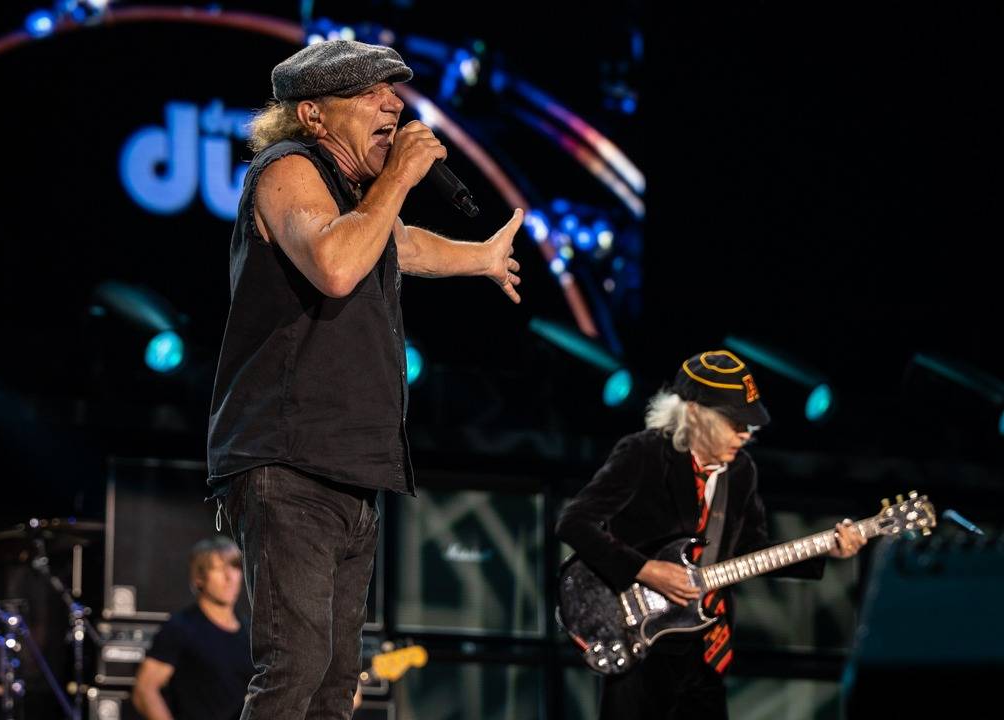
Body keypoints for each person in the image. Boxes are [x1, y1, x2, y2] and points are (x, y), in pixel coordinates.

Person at [205, 40, 523, 719]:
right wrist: (400, 176)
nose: (394, 106)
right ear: (314, 115)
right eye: (371, 94)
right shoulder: (286, 168)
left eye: (394, 93)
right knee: (295, 665)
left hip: (350, 468)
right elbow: (336, 265)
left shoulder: (357, 199)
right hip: (289, 458)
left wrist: (481, 257)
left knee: (335, 680)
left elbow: (401, 244)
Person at [555, 350, 866, 719]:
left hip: (705, 647)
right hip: (641, 643)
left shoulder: (741, 472)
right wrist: (646, 570)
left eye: (748, 424)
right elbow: (574, 522)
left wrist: (827, 549)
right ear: (695, 414)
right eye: (735, 422)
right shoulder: (643, 454)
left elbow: (751, 550)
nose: (745, 434)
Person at [132, 537, 253, 720]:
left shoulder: (249, 631)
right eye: (218, 568)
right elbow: (145, 690)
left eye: (235, 567)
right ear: (199, 578)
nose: (229, 577)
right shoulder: (181, 627)